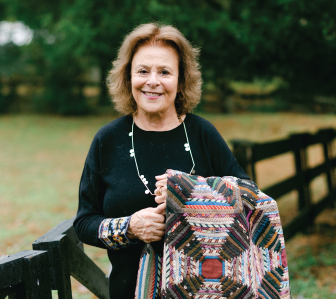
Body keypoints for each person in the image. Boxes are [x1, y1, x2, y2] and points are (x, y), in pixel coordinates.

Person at [73, 23, 250, 298]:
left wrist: (188, 191)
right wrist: (129, 228)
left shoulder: (202, 134)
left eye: (165, 72)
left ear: (181, 80)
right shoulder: (107, 140)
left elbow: (249, 202)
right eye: (143, 71)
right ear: (128, 77)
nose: (152, 81)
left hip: (205, 292)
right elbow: (84, 223)